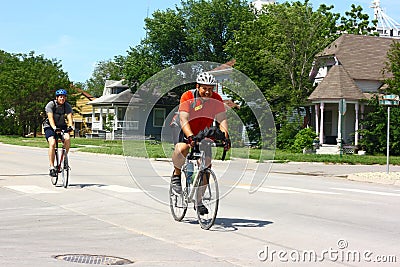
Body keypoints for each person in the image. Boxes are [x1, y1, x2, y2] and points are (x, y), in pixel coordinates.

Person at [171, 72, 231, 215]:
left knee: (206, 164)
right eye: (205, 88)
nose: (208, 92)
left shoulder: (217, 99)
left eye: (211, 89)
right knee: (182, 148)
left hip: (203, 132)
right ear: (198, 87)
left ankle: (198, 202)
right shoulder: (188, 96)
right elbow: (183, 119)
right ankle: (176, 175)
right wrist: (190, 137)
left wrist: (226, 138)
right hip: (183, 128)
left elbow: (222, 121)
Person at [43, 89, 74, 177]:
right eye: (60, 97)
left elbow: (69, 117)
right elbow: (50, 117)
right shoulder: (51, 104)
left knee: (67, 139)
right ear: (57, 98)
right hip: (49, 126)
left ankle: (64, 159)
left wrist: (71, 126)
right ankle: (52, 167)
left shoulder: (67, 106)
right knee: (52, 143)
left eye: (64, 97)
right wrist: (54, 128)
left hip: (61, 126)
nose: (62, 98)